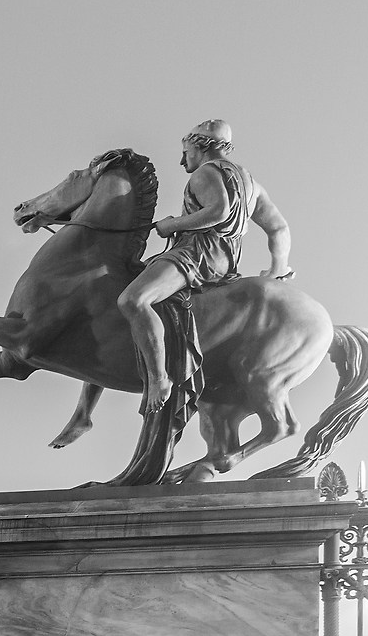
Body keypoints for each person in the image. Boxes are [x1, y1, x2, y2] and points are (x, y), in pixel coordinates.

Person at [115, 119, 294, 418]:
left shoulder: (205, 173)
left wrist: (171, 224)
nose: (182, 159)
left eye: (185, 151)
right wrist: (278, 268)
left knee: (133, 300)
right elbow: (278, 228)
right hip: (226, 263)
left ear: (200, 146)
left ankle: (159, 379)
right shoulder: (251, 184)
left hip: (195, 256)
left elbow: (219, 211)